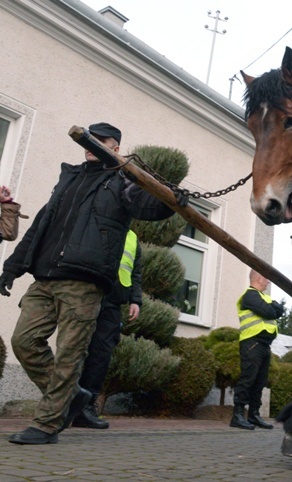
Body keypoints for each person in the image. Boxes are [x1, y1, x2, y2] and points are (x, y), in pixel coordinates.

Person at [0, 122, 175, 445]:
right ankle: (74, 395)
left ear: (116, 147)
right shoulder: (70, 177)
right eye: (90, 139)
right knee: (24, 341)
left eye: (102, 141)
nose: (91, 145)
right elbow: (42, 224)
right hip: (45, 274)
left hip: (84, 280)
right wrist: (13, 266)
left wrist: (170, 197)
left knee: (69, 353)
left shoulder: (122, 180)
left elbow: (148, 205)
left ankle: (47, 424)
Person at [73, 229, 142, 429]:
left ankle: (86, 408)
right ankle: (63, 403)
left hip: (113, 303)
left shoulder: (132, 237)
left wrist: (135, 299)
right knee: (74, 348)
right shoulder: (101, 223)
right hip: (89, 295)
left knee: (101, 355)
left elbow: (136, 271)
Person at [230, 269, 284, 430]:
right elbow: (270, 311)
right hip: (252, 342)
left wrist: (274, 308)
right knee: (248, 378)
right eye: (266, 278)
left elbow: (279, 311)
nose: (268, 282)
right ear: (259, 278)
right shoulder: (250, 295)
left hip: (264, 345)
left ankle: (254, 415)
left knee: (260, 381)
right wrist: (274, 308)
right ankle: (237, 415)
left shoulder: (264, 298)